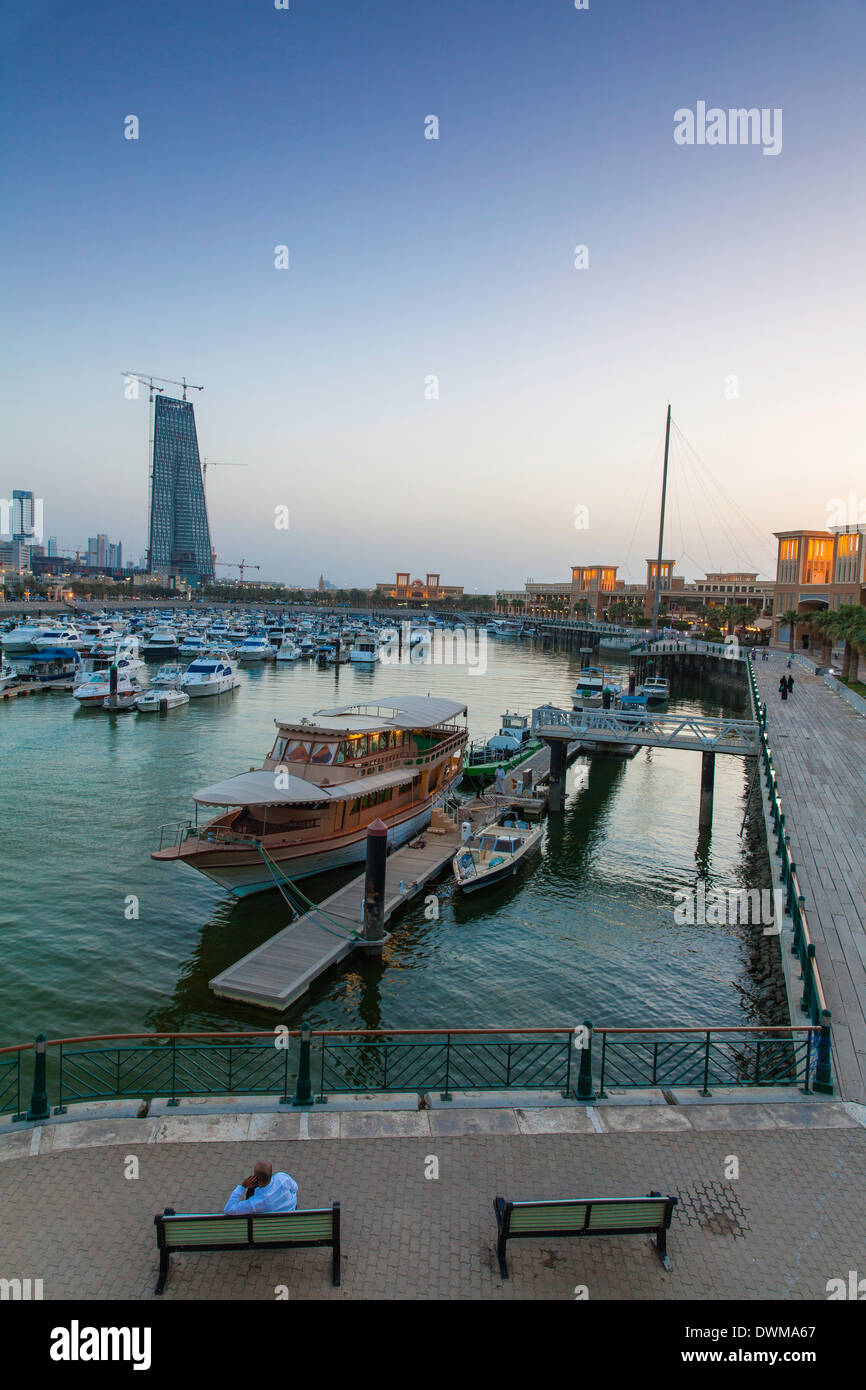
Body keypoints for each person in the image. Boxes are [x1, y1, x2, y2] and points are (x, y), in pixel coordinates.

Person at [223, 1161, 298, 1214]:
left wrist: (242, 1186)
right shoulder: (282, 1178)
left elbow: (228, 1209)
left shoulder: (256, 1203)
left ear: (256, 1178)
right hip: (292, 1210)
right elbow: (295, 1188)